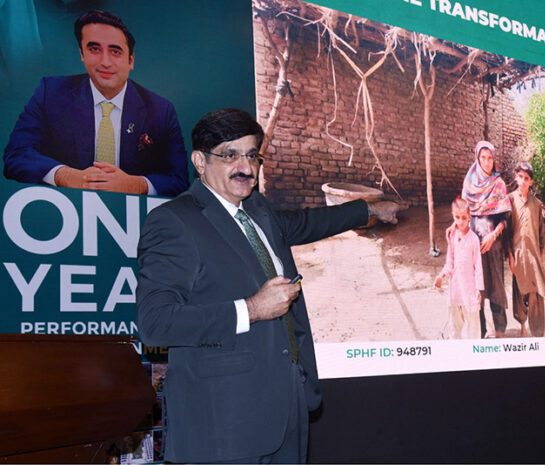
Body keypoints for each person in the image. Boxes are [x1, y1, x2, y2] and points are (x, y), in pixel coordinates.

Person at [136, 108, 396, 463]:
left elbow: (304, 223)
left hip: (287, 412)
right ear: (199, 161)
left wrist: (367, 210)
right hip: (224, 430)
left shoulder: (257, 210)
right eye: (230, 155)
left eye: (252, 156)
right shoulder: (174, 222)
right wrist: (253, 309)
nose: (246, 168)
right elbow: (156, 323)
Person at [3, 10, 188, 196]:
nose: (105, 62)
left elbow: (179, 180)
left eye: (115, 52)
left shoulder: (161, 110)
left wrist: (136, 185)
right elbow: (17, 155)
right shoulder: (50, 92)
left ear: (130, 60)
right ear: (82, 54)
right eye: (94, 49)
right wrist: (66, 176)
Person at [460, 140, 511, 338]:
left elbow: (504, 218)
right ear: (477, 158)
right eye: (483, 158)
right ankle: (479, 332)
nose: (487, 162)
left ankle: (499, 331)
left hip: (494, 244)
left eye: (490, 158)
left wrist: (493, 235)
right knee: (477, 288)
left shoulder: (499, 184)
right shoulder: (469, 182)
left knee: (497, 286)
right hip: (474, 246)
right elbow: (463, 213)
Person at [434, 196, 484, 339]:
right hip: (455, 288)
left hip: (469, 290)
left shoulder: (474, 239)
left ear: (469, 217)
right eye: (457, 217)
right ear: (453, 216)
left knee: (473, 328)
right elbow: (450, 261)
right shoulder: (452, 237)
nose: (460, 221)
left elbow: (478, 266)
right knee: (454, 327)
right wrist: (441, 276)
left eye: (463, 217)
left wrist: (478, 289)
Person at [507, 162, 545, 337]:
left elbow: (541, 233)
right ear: (516, 177)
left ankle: (537, 330)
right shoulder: (509, 200)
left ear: (531, 182)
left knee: (536, 292)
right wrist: (510, 256)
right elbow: (507, 232)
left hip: (533, 256)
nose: (522, 181)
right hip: (517, 254)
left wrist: (541, 255)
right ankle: (522, 326)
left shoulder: (537, 204)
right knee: (519, 290)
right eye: (520, 177)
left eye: (526, 178)